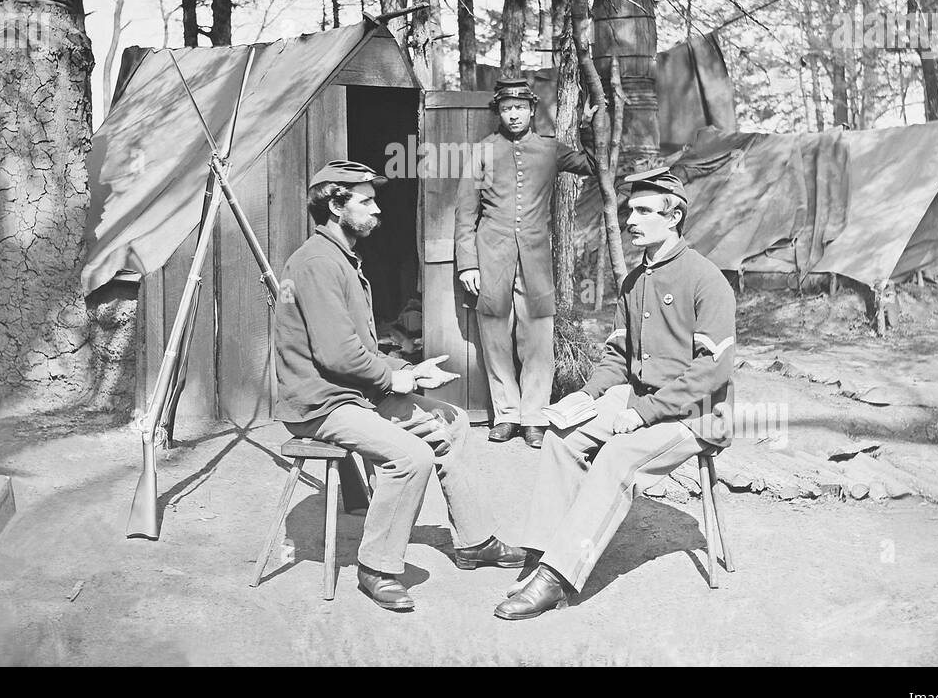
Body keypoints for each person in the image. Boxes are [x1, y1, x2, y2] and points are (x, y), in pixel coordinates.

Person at [275, 160, 523, 612]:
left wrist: (408, 368)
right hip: (321, 405)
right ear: (335, 205)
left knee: (452, 420)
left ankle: (474, 541)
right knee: (411, 457)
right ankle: (377, 568)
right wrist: (396, 378)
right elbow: (337, 356)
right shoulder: (316, 263)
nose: (377, 211)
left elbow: (358, 347)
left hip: (351, 393)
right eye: (366, 202)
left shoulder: (341, 259)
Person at [494, 166, 736, 620]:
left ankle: (558, 577)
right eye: (629, 210)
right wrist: (588, 394)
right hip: (641, 401)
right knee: (562, 436)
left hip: (696, 415)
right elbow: (619, 357)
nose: (630, 220)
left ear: (674, 216)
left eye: (644, 211)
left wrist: (643, 412)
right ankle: (542, 551)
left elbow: (711, 373)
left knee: (616, 457)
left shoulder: (706, 279)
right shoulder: (633, 281)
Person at [454, 78, 595, 448]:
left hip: (534, 260)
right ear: (498, 112)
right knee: (496, 338)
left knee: (537, 340)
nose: (513, 114)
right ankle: (506, 415)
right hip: (491, 257)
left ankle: (534, 417)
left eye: (519, 108)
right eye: (506, 108)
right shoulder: (483, 150)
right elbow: (465, 211)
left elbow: (593, 165)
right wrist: (467, 263)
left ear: (532, 110)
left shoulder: (550, 150)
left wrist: (589, 127)